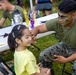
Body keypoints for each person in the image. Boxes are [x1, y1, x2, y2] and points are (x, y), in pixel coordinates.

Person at [31, 0, 76, 75]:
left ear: (73, 15)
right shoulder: (57, 22)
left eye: (63, 17)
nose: (59, 19)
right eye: (58, 15)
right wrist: (32, 35)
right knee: (44, 55)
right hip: (66, 46)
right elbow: (38, 29)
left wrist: (66, 60)